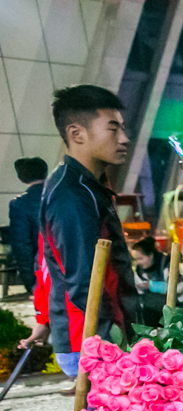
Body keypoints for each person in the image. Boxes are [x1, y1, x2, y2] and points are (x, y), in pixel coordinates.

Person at [18, 85, 139, 379]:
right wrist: (118, 347)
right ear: (76, 134)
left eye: (123, 128)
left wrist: (44, 319)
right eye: (113, 129)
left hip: (92, 340)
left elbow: (45, 261)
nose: (124, 138)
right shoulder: (72, 194)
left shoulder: (84, 185)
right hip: (94, 345)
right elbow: (85, 283)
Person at [8, 157, 47, 294]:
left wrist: (30, 281)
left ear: (21, 179)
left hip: (41, 271)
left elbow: (22, 246)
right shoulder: (62, 196)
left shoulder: (20, 204)